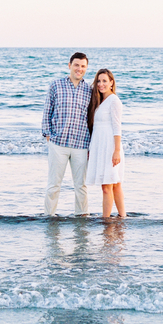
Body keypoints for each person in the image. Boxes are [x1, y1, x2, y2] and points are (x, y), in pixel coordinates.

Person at [42, 52, 92, 216]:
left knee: (81, 186)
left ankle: (81, 217)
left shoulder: (90, 90)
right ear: (69, 65)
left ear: (86, 68)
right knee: (54, 185)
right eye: (76, 65)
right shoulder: (56, 85)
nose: (79, 69)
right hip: (58, 143)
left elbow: (92, 118)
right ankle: (49, 217)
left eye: (83, 66)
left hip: (81, 144)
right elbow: (47, 111)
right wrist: (48, 135)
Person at [86, 69, 126, 218]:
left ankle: (106, 220)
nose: (101, 84)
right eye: (98, 81)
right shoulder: (99, 101)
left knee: (109, 185)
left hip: (110, 146)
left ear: (111, 83)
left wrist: (116, 150)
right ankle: (123, 217)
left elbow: (117, 127)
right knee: (114, 185)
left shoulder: (114, 101)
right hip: (100, 146)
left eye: (104, 81)